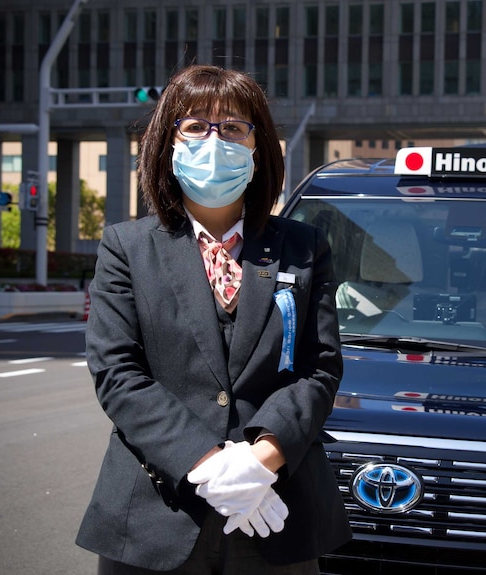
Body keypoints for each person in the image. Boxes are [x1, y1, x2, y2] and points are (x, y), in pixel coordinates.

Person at [76, 65, 351, 574]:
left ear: (257, 146)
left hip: (274, 510)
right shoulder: (127, 248)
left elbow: (319, 370)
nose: (214, 138)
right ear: (168, 141)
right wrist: (211, 467)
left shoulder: (303, 247)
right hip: (156, 514)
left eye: (233, 127)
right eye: (196, 125)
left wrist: (257, 461)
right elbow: (118, 374)